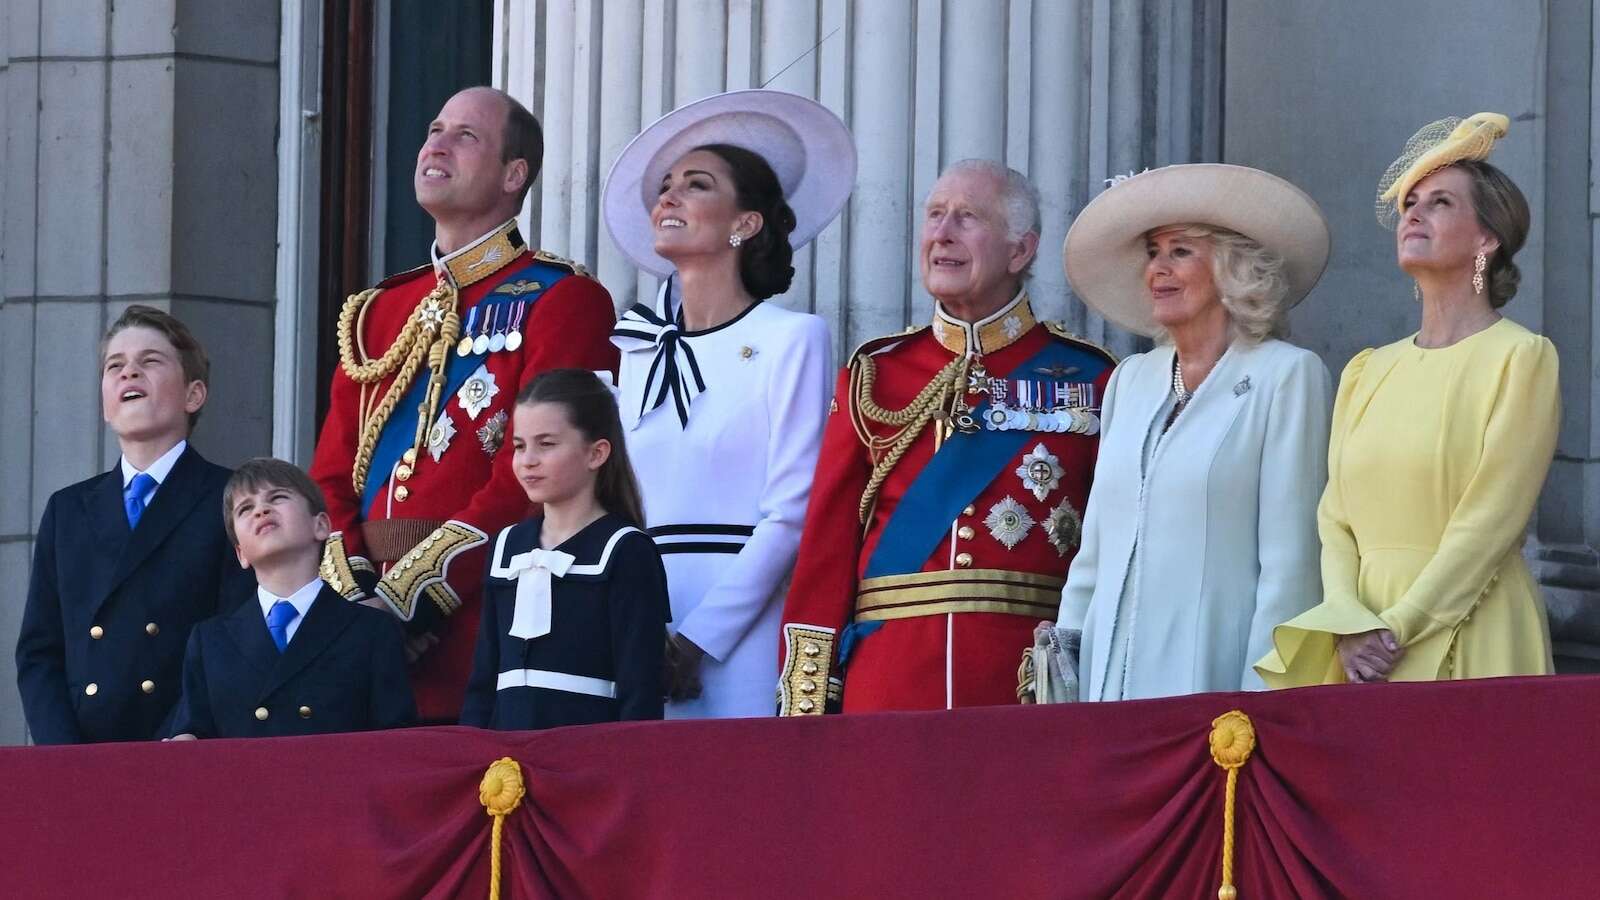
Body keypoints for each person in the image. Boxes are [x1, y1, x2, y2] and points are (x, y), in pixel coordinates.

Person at [309, 86, 619, 722]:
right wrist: (361, 598)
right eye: (433, 128)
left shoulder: (562, 298)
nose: (436, 145)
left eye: (465, 135)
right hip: (365, 636)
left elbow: (533, 476)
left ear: (514, 175)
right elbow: (331, 477)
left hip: (484, 626)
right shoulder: (377, 312)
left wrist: (415, 596)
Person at [777, 160, 1115, 715]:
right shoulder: (875, 374)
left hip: (1028, 685)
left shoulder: (1091, 377)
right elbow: (826, 549)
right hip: (889, 680)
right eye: (935, 215)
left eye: (967, 217)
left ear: (1020, 251)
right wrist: (807, 704)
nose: (942, 233)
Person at [1258, 113, 1559, 686]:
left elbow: (1490, 521)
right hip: (1361, 643)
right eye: (1410, 202)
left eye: (1441, 202)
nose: (1413, 213)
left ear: (1487, 239)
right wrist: (1348, 622)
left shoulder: (1521, 358)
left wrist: (1398, 626)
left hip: (1470, 624)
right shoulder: (1367, 371)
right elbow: (1335, 518)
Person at [601, 90, 853, 718]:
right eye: (665, 185)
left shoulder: (791, 339)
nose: (669, 196)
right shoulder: (634, 350)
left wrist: (697, 640)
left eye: (697, 184)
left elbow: (791, 513)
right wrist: (634, 630)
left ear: (746, 222)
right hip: (634, 617)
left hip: (739, 629)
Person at [1053, 164, 1333, 701]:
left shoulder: (1286, 376)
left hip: (1215, 680)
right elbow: (1093, 553)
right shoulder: (1130, 380)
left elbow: (1291, 566)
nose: (1158, 267)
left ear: (1234, 268)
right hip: (1104, 687)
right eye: (1153, 252)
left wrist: (1259, 704)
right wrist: (1067, 670)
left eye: (1180, 251)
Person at [16, 306, 256, 744]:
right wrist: (62, 753)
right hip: (79, 757)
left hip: (180, 751)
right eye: (115, 366)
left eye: (149, 361)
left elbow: (235, 638)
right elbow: (39, 653)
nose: (129, 373)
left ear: (193, 394)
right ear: (106, 404)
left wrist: (184, 730)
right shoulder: (67, 509)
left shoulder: (230, 498)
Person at [460, 370, 669, 729]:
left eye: (547, 444)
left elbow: (641, 691)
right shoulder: (506, 547)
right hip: (505, 765)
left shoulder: (625, 549)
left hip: (591, 760)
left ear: (596, 453)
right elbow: (484, 680)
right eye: (520, 446)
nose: (528, 460)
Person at [166, 459, 415, 738]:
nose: (261, 510)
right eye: (246, 509)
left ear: (320, 526)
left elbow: (395, 746)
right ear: (241, 555)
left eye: (278, 497)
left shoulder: (372, 631)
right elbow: (192, 733)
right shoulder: (209, 641)